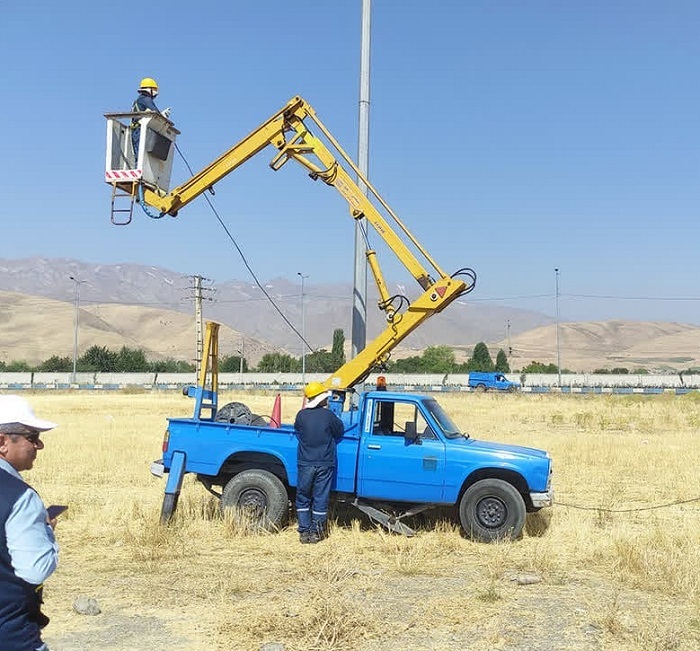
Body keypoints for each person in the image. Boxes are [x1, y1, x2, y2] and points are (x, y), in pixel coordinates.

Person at [0, 396, 60, 651]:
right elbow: (35, 569)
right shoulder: (21, 497)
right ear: (3, 441)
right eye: (32, 436)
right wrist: (46, 531)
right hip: (12, 636)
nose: (40, 445)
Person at [293, 382, 344, 544]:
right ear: (322, 399)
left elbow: (298, 430)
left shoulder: (301, 415)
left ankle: (304, 531)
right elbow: (339, 431)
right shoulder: (329, 416)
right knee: (320, 497)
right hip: (324, 463)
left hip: (305, 462)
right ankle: (317, 532)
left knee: (303, 497)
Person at [130, 77, 170, 164]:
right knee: (142, 155)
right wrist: (164, 116)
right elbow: (156, 114)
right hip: (140, 130)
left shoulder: (139, 100)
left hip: (136, 130)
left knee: (139, 155)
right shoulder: (145, 100)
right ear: (150, 89)